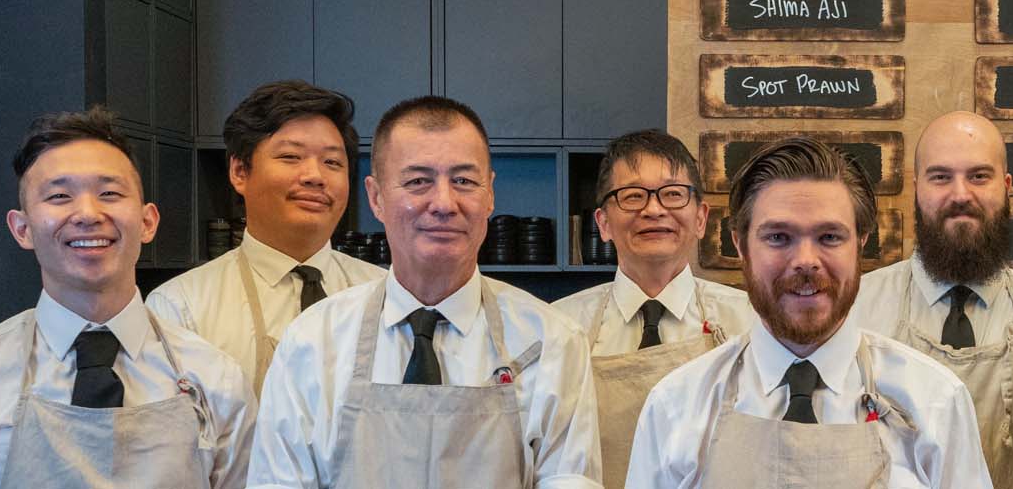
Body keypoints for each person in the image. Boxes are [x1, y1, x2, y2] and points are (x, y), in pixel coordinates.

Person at [247, 95, 601, 488]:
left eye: (464, 181)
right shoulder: (313, 342)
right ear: (376, 197)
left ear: (490, 195)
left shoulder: (551, 341)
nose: (444, 203)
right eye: (418, 181)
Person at [0, 108, 253, 488]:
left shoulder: (215, 379)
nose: (87, 213)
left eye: (109, 193)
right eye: (59, 195)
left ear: (148, 222)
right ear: (22, 229)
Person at [626, 137, 992, 488]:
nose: (805, 261)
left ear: (860, 243)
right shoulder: (676, 406)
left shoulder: (935, 400)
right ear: (741, 245)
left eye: (829, 237)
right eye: (778, 237)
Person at [852, 111, 1013, 489]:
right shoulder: (854, 312)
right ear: (916, 188)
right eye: (941, 177)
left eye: (979, 176)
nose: (961, 195)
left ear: (1006, 186)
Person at [148, 81, 384, 393]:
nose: (315, 175)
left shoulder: (385, 294)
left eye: (332, 162)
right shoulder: (179, 307)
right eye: (290, 157)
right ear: (239, 171)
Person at [551, 129, 753, 488]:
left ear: (701, 218)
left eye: (673, 194)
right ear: (603, 223)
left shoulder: (751, 323)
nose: (654, 209)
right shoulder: (559, 328)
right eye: (632, 196)